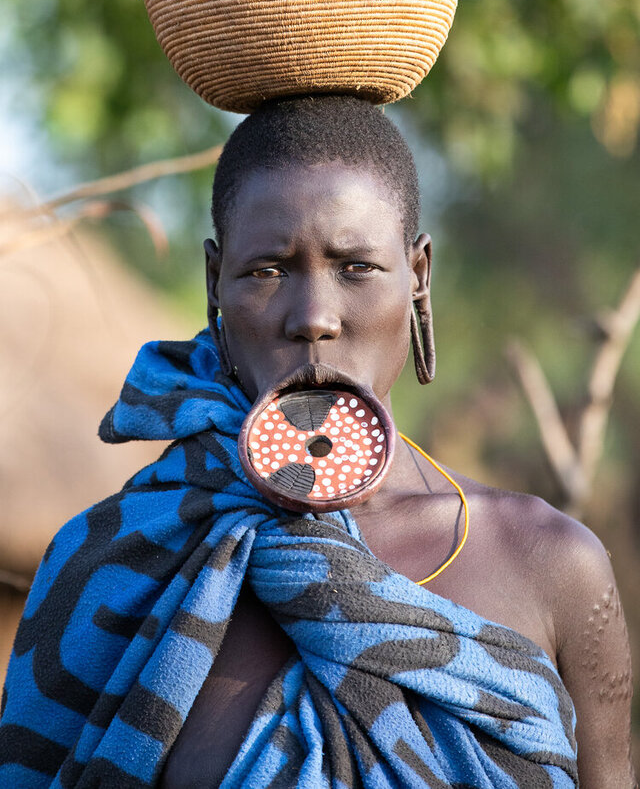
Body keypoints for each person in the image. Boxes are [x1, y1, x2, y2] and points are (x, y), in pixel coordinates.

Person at [0, 95, 634, 788]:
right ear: (214, 282)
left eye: (355, 267)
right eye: (267, 270)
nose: (314, 318)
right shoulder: (115, 565)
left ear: (419, 277)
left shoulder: (550, 562)